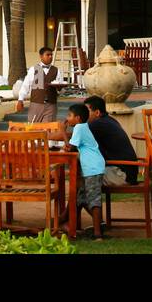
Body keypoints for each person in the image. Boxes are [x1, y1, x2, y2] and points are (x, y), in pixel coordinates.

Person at [65, 103, 106, 240]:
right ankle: (73, 228)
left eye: (69, 116)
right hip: (90, 167)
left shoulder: (79, 128)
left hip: (93, 168)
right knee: (80, 198)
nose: (67, 118)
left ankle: (98, 233)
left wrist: (62, 131)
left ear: (77, 118)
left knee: (93, 199)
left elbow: (70, 148)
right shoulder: (82, 127)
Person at [84, 95, 137, 186]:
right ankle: (85, 200)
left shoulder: (98, 124)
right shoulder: (109, 120)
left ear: (97, 112)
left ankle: (87, 200)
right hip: (125, 171)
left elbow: (75, 139)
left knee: (83, 173)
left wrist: (62, 131)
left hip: (121, 174)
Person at [19, 47, 62, 123]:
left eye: (51, 55)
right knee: (33, 127)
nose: (50, 57)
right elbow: (26, 85)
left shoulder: (56, 70)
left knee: (49, 129)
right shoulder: (33, 69)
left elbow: (60, 85)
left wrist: (60, 88)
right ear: (41, 56)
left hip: (51, 104)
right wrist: (20, 100)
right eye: (48, 55)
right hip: (36, 104)